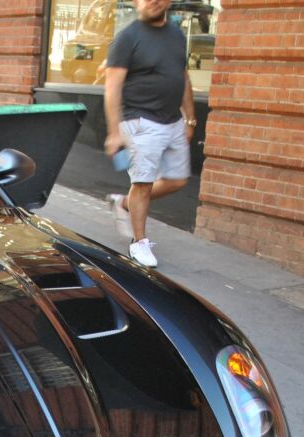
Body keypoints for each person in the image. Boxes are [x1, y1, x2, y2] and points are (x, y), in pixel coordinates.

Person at [103, 0, 197, 268]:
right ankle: (139, 242)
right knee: (142, 183)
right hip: (140, 121)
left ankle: (123, 203)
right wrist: (114, 132)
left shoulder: (177, 34)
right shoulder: (128, 37)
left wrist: (189, 119)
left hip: (173, 121)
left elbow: (183, 77)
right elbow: (112, 88)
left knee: (177, 180)